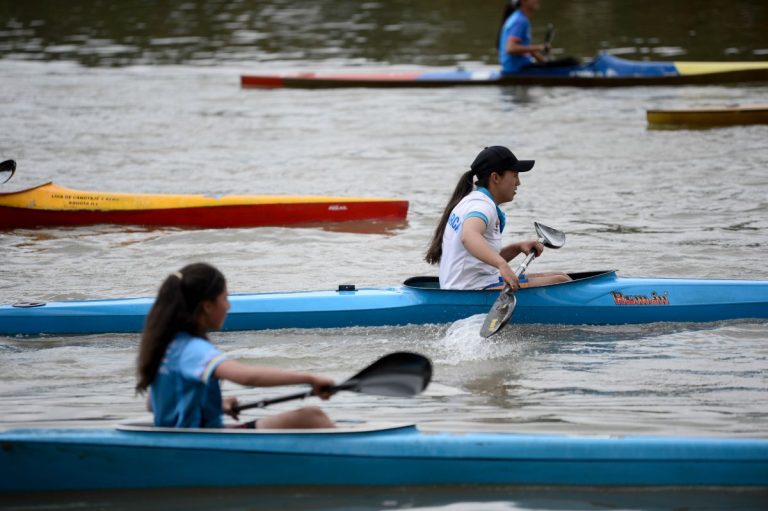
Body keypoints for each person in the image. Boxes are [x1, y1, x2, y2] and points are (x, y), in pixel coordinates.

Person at [136, 262, 335, 429]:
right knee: (312, 416)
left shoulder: (167, 345)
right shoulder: (195, 349)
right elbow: (248, 376)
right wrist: (309, 378)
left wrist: (214, 405)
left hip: (181, 440)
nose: (228, 306)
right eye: (225, 298)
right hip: (205, 444)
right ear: (207, 306)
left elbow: (152, 405)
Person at [425, 146, 571, 291]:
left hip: (472, 283)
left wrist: (517, 247)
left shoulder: (471, 200)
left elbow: (480, 260)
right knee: (561, 281)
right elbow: (469, 236)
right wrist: (502, 265)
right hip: (470, 289)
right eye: (514, 175)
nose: (518, 182)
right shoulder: (481, 206)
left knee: (559, 275)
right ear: (495, 177)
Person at [498, 0, 549, 74]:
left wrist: (543, 62)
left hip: (518, 66)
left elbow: (525, 48)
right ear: (523, 1)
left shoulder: (521, 18)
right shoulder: (519, 21)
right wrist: (539, 47)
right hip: (515, 69)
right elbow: (510, 48)